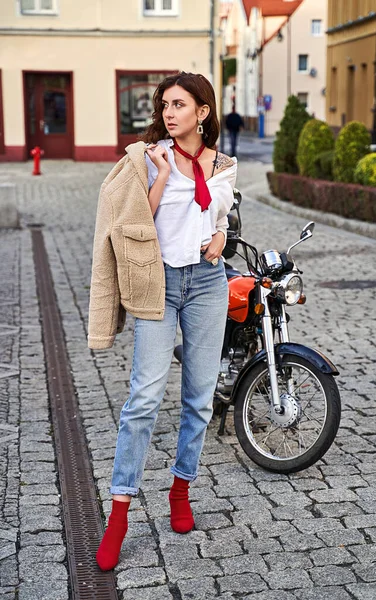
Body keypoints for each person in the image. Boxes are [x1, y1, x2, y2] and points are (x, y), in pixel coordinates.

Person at [87, 72, 237, 571]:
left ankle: (180, 489)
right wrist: (162, 178)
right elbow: (133, 226)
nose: (169, 113)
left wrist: (220, 238)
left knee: (198, 398)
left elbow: (220, 220)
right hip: (159, 285)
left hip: (208, 284)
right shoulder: (148, 158)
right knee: (144, 398)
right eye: (164, 105)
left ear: (203, 112)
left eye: (179, 105)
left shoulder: (225, 166)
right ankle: (120, 512)